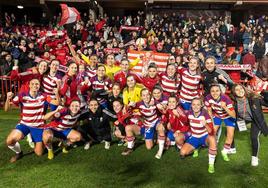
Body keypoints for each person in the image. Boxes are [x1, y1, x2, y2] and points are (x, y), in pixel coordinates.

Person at [5, 78, 59, 162]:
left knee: (39, 153)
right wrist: (8, 99)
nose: (35, 85)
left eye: (37, 84)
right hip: (24, 124)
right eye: (33, 84)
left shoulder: (44, 96)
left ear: (39, 86)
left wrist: (57, 94)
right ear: (29, 85)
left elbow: (56, 103)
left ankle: (44, 143)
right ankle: (19, 153)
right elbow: (7, 109)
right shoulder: (21, 95)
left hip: (38, 126)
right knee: (9, 141)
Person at [121, 88, 166, 159]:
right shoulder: (139, 104)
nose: (146, 97)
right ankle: (130, 147)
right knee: (149, 147)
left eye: (147, 95)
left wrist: (160, 106)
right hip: (146, 125)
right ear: (141, 97)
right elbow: (130, 110)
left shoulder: (155, 101)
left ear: (150, 95)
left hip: (155, 122)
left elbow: (163, 107)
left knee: (161, 127)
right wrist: (129, 106)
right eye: (144, 95)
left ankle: (160, 151)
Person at [231, 84, 268, 166]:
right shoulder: (234, 102)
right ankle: (232, 148)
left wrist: (264, 93)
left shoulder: (254, 98)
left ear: (244, 89)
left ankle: (254, 157)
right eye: (237, 89)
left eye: (241, 88)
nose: (240, 90)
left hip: (256, 120)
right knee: (230, 129)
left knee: (254, 137)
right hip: (243, 120)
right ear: (234, 92)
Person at [180, 98, 217, 174]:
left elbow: (211, 131)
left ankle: (211, 164)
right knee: (182, 153)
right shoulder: (189, 113)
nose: (196, 106)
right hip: (194, 137)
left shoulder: (205, 114)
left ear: (201, 105)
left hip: (204, 137)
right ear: (191, 105)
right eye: (193, 104)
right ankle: (196, 147)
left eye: (198, 104)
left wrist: (206, 124)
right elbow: (185, 123)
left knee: (212, 139)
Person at [205, 84, 236, 162]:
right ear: (210, 92)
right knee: (212, 132)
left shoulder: (226, 98)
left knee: (230, 134)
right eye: (212, 91)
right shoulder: (207, 98)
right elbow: (209, 111)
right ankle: (212, 149)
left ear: (220, 92)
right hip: (217, 115)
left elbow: (234, 115)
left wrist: (225, 107)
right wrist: (211, 123)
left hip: (228, 116)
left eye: (217, 91)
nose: (215, 93)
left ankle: (224, 152)